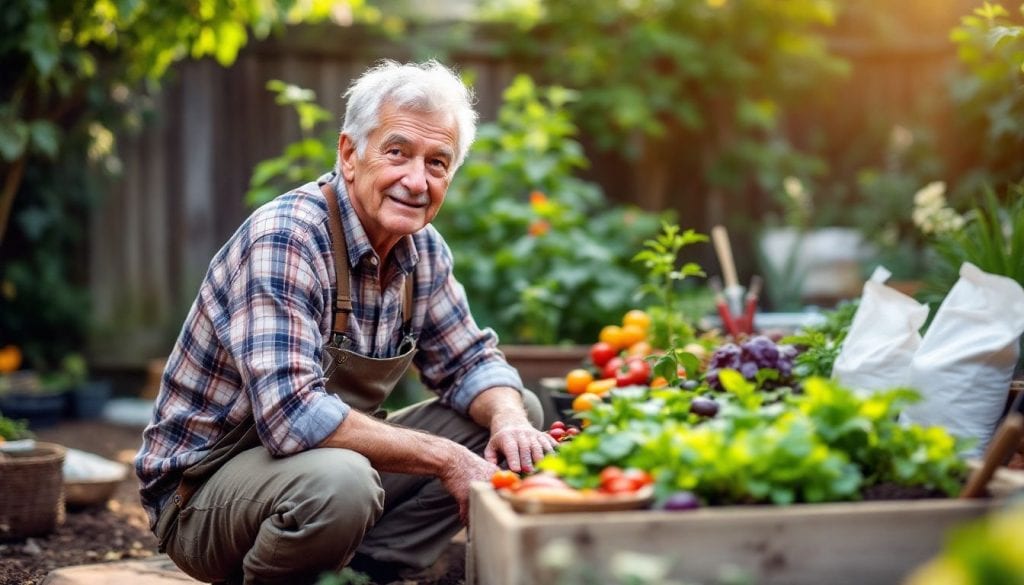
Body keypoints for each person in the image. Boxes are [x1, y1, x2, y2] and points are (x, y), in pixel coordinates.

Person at [135, 60, 556, 585]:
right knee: (343, 483)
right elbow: (292, 415)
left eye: (438, 163)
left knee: (512, 417)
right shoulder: (287, 239)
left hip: (316, 471)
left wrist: (510, 420)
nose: (416, 180)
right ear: (350, 154)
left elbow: (470, 362)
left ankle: (368, 571)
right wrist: (446, 460)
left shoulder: (421, 250)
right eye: (397, 152)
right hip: (202, 496)